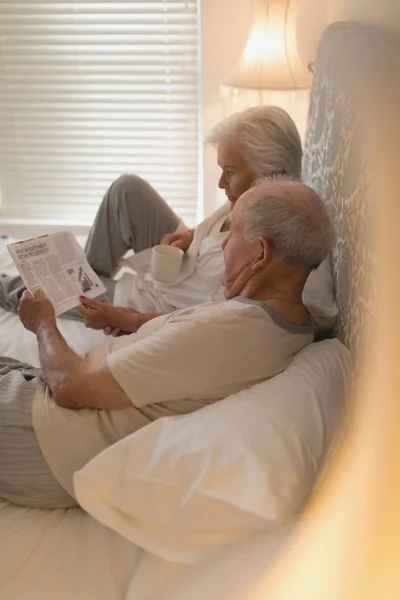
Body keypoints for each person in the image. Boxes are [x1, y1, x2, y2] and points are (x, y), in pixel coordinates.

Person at [0, 180, 334, 509]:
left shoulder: (222, 333)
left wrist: (42, 322)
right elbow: (189, 329)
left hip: (43, 431)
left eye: (230, 234)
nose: (221, 245)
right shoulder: (292, 320)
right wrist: (130, 319)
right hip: (52, 410)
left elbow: (70, 386)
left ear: (261, 253)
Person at [0, 106, 337, 333]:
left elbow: (207, 325)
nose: (221, 184)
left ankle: (74, 285)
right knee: (127, 189)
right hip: (176, 267)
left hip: (153, 300)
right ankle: (89, 273)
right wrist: (193, 236)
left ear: (271, 173)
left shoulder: (283, 253)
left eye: (230, 172)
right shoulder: (251, 198)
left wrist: (131, 321)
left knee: (28, 289)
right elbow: (213, 236)